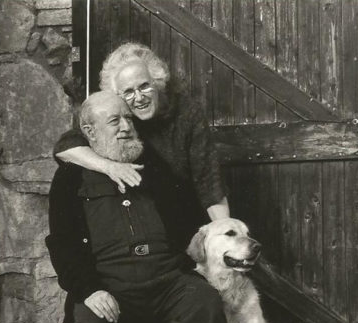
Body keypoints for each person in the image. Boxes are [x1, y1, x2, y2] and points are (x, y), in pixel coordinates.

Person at [46, 91, 225, 323]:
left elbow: (189, 218)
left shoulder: (156, 168)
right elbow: (62, 245)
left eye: (128, 119)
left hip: (166, 281)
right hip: (109, 287)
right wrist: (89, 290)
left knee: (204, 303)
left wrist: (194, 261)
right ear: (89, 132)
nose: (126, 127)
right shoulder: (70, 179)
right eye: (115, 121)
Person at [55, 42, 230, 254]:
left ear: (157, 82)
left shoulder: (187, 114)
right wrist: (110, 166)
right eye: (128, 92)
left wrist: (228, 237)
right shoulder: (122, 116)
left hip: (184, 215)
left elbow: (210, 187)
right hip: (141, 221)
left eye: (144, 86)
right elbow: (65, 146)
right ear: (117, 96)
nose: (138, 98)